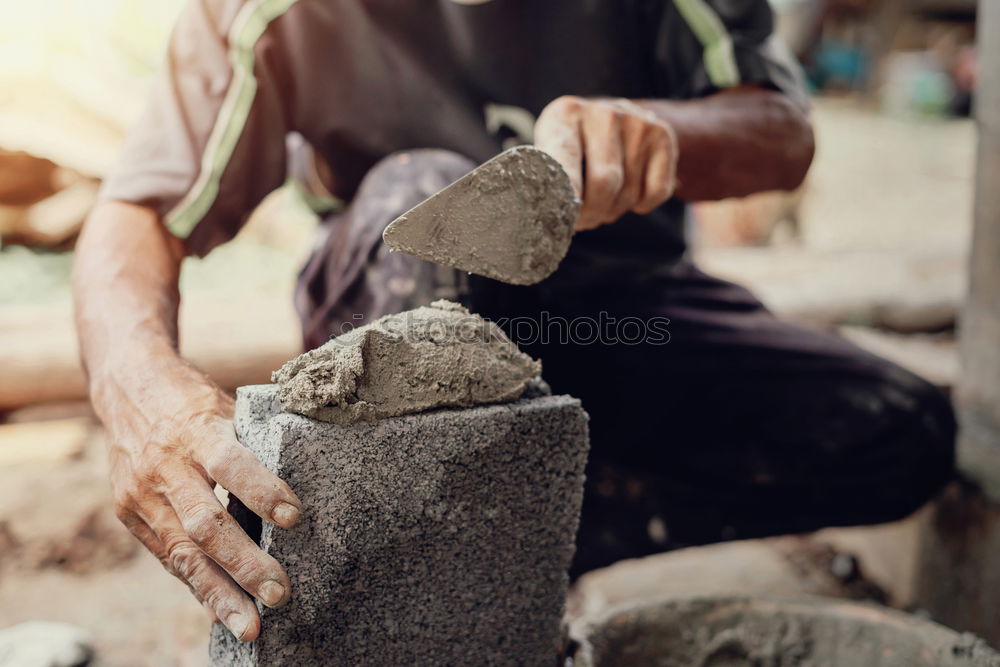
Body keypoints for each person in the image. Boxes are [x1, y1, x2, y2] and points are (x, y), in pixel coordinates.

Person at [72, 0, 955, 642]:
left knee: (899, 430)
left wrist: (667, 131)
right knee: (419, 191)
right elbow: (138, 213)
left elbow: (785, 128)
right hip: (399, 318)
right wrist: (141, 400)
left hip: (620, 312)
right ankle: (394, 597)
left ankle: (528, 537)